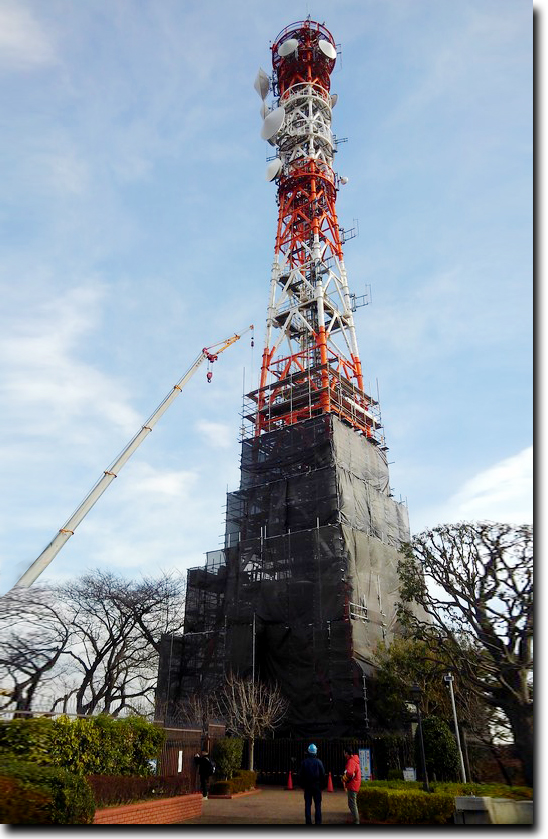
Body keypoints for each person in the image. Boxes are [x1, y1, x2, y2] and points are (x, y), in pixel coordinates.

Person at [299, 743, 326, 825]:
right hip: (317, 787)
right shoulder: (319, 762)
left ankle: (308, 822)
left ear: (308, 752)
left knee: (307, 805)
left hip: (307, 787)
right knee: (317, 805)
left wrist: (302, 786)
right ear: (315, 752)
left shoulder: (304, 762)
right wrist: (322, 787)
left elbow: (300, 775)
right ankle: (318, 822)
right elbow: (323, 775)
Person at [342, 748, 361, 824]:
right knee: (351, 804)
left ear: (347, 753)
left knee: (352, 804)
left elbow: (349, 773)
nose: (344, 754)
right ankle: (356, 821)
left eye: (344, 753)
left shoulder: (351, 761)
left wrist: (344, 779)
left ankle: (356, 821)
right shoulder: (355, 760)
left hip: (352, 785)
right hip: (355, 784)